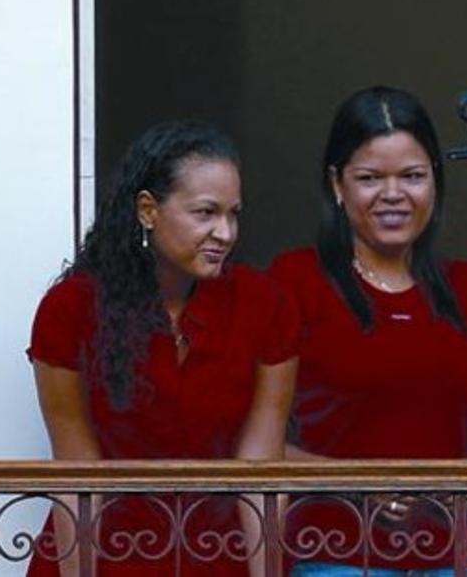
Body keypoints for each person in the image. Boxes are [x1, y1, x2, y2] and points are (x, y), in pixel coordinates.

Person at [26, 120, 299, 576]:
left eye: (234, 214)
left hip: (217, 554)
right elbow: (76, 477)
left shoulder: (265, 304)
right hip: (104, 554)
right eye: (206, 213)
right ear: (148, 210)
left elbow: (260, 475)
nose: (226, 233)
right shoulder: (70, 309)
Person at [268, 86, 467, 576]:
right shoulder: (294, 281)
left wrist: (448, 485)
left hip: (460, 557)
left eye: (412, 176)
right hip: (334, 555)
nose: (393, 194)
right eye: (370, 178)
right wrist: (358, 483)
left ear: (435, 183)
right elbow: (259, 440)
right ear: (337, 185)